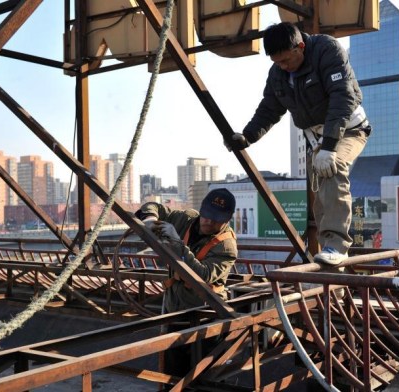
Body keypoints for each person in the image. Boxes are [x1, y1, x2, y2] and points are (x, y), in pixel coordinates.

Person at [226, 22, 370, 266]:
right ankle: (328, 250)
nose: (283, 66)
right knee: (321, 195)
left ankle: (337, 245)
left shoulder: (327, 50)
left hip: (348, 130)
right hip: (316, 139)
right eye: (277, 62)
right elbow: (270, 109)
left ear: (300, 46)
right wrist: (248, 136)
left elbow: (342, 96)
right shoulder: (278, 73)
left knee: (333, 169)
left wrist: (330, 146)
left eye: (286, 60)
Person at [135, 188, 237, 378]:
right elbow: (154, 206)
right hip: (176, 310)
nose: (208, 221)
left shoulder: (226, 246)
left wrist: (177, 242)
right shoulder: (186, 219)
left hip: (206, 315)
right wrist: (149, 218)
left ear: (226, 220)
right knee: (173, 371)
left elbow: (202, 275)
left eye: (216, 219)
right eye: (206, 215)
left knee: (203, 374)